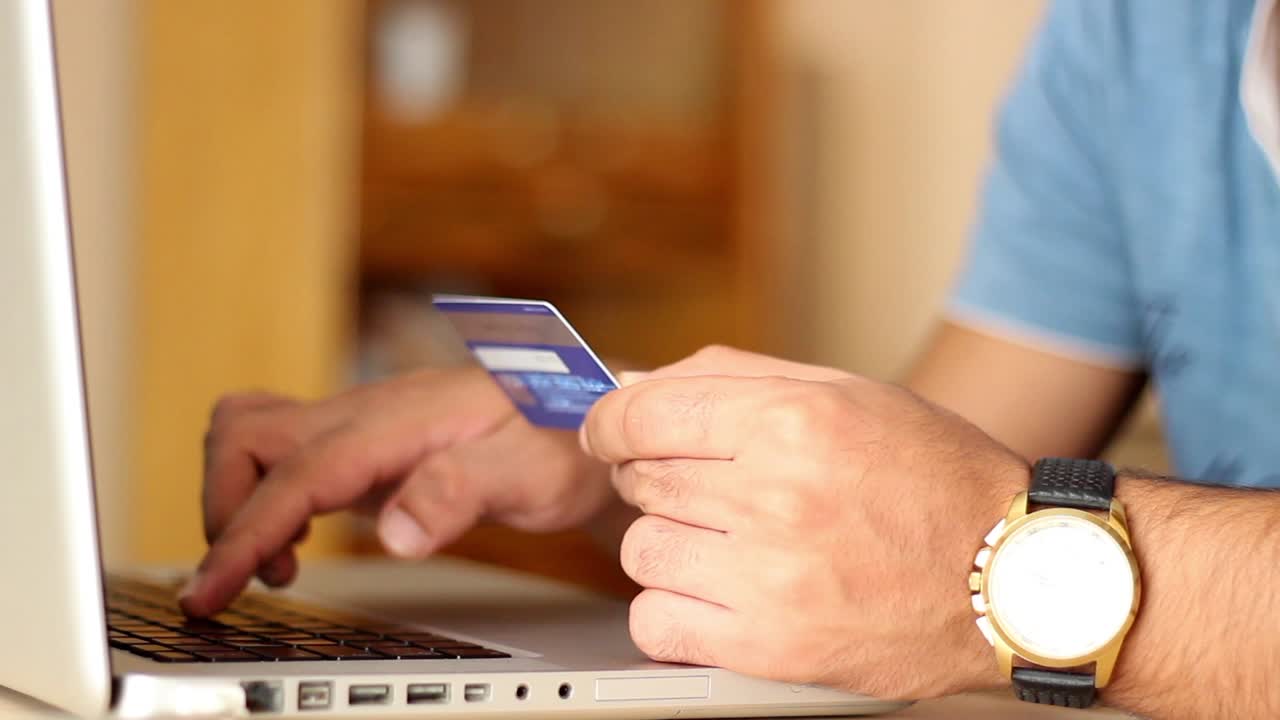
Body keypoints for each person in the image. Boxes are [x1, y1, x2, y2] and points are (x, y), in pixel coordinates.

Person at [179, 2, 1279, 718]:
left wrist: (1015, 566)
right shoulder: (1135, 37)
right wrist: (613, 440)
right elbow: (913, 517)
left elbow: (962, 537)